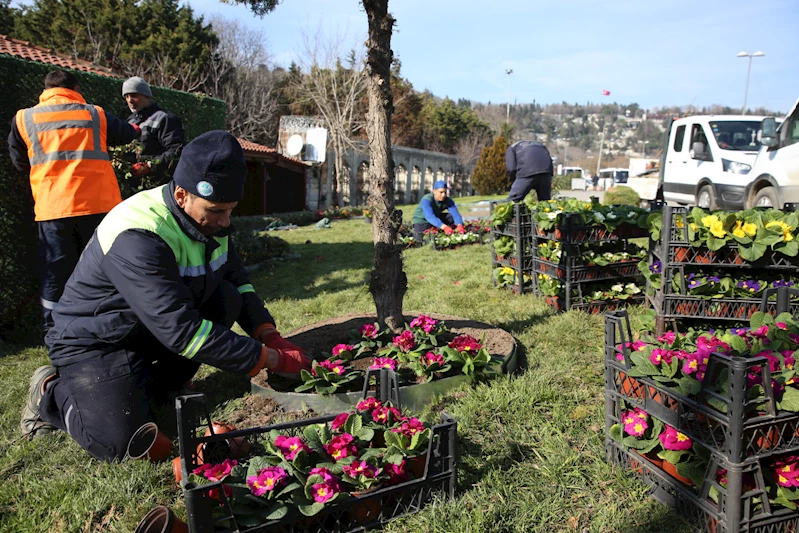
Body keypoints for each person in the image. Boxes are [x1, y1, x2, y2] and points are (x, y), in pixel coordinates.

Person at [22, 131, 311, 462]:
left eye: (230, 209)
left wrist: (267, 333)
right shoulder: (139, 234)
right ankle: (51, 392)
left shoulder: (209, 223)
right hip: (96, 341)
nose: (225, 221)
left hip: (146, 328)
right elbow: (182, 331)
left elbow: (238, 283)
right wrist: (271, 360)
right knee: (124, 444)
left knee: (227, 297)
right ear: (181, 195)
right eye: (216, 210)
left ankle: (154, 388)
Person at [7, 70, 141, 335]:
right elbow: (127, 134)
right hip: (98, 206)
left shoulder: (24, 118)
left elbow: (19, 162)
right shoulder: (95, 114)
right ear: (76, 89)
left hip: (53, 207)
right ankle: (108, 325)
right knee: (104, 267)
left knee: (56, 273)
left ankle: (55, 331)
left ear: (45, 90)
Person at [123, 76, 185, 187]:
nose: (130, 100)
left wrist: (149, 166)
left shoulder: (165, 119)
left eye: (134, 95)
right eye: (126, 96)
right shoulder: (129, 122)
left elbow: (176, 151)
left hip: (158, 184)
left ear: (147, 96)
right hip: (134, 184)